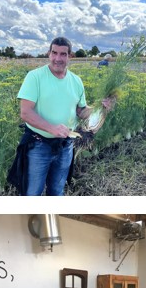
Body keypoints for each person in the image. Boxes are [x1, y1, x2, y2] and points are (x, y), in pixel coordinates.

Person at [17, 37, 113, 196]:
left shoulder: (76, 81)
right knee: (32, 193)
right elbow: (25, 112)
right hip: (38, 145)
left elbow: (81, 111)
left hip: (66, 146)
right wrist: (51, 128)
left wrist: (100, 108)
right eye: (54, 53)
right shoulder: (35, 77)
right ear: (49, 53)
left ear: (70, 56)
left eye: (63, 54)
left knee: (57, 191)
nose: (57, 59)